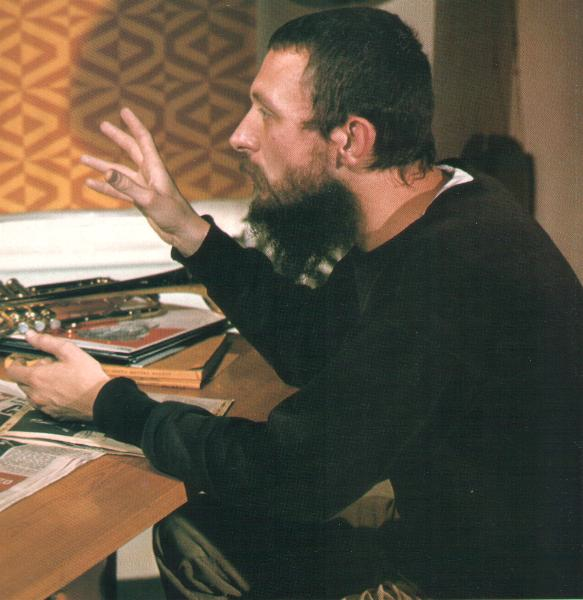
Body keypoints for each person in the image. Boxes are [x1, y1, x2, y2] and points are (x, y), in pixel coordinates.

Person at [6, 7, 582, 599]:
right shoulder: (442, 203)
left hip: (494, 584)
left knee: (207, 539)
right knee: (201, 530)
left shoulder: (446, 274)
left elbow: (294, 475)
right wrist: (188, 230)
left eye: (266, 113)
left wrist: (107, 404)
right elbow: (315, 346)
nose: (240, 136)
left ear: (350, 139)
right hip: (458, 539)